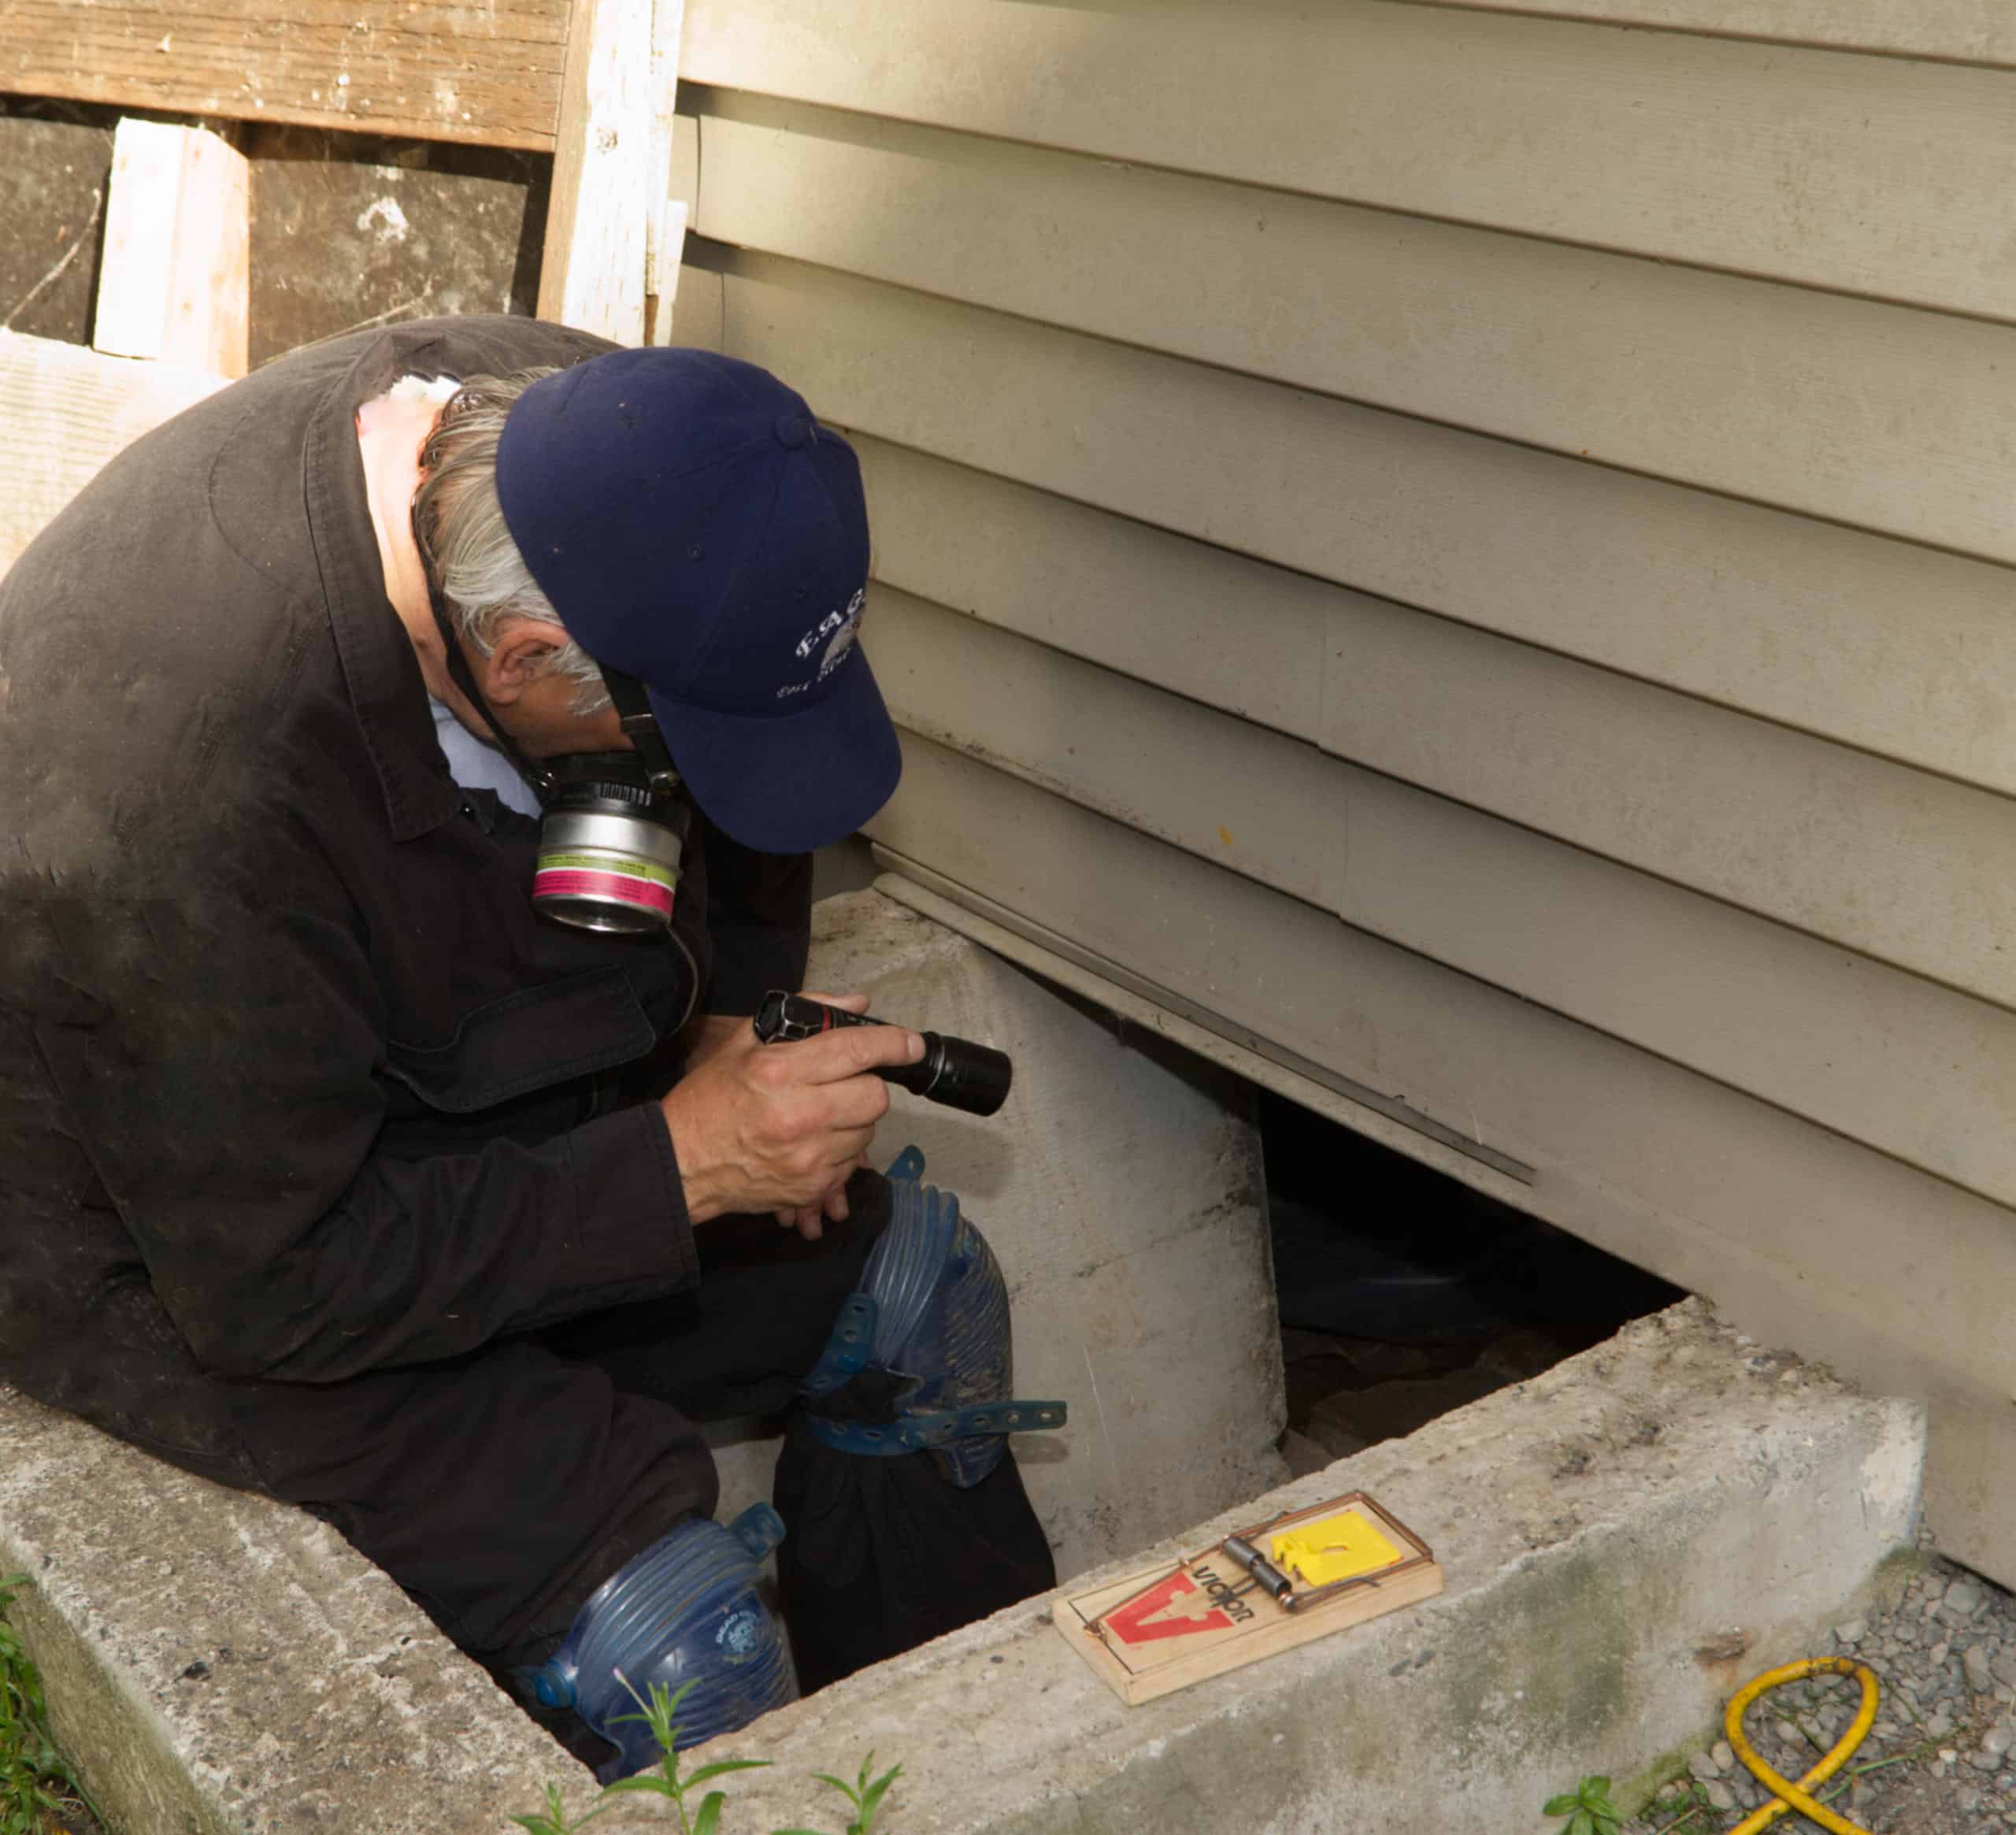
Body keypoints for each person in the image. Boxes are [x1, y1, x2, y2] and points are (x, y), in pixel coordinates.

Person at [0, 316, 1052, 1758]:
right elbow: (280, 1285)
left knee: (918, 1299)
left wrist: (731, 1021)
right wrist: (679, 1169)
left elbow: (744, 765)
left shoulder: (608, 446)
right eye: (673, 751)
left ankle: (979, 1778)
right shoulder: (170, 794)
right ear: (529, 655)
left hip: (458, 1088)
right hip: (188, 1241)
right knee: (680, 1652)